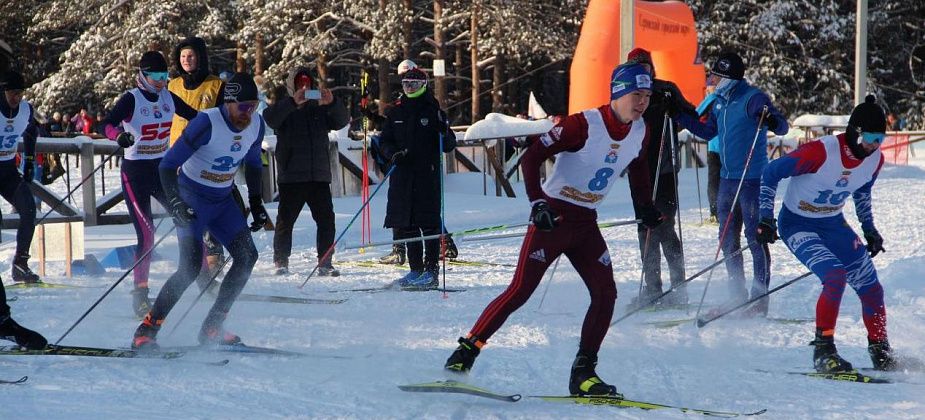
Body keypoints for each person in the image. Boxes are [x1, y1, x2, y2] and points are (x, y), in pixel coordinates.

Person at [444, 63, 663, 397]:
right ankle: (466, 351)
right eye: (636, 94)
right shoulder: (583, 124)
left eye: (647, 96)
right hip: (555, 218)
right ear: (618, 92)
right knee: (521, 290)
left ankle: (584, 374)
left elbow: (638, 168)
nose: (642, 102)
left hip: (585, 222)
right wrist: (537, 203)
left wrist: (645, 207)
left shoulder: (640, 130)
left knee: (606, 294)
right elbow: (533, 157)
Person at [757, 95, 904, 373]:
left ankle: (880, 351)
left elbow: (862, 193)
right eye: (870, 137)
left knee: (871, 287)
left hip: (832, 223)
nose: (874, 146)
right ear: (856, 132)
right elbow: (771, 173)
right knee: (835, 276)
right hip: (798, 224)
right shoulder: (821, 152)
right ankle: (824, 352)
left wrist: (869, 230)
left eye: (880, 139)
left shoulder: (874, 160)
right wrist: (765, 217)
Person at [132, 73, 269, 350]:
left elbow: (254, 164)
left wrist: (256, 203)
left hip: (223, 199)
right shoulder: (207, 123)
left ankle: (212, 326)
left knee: (246, 257)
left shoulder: (256, 125)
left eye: (253, 106)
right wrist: (176, 203)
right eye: (243, 107)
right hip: (192, 197)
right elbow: (167, 166)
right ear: (228, 103)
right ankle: (147, 329)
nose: (248, 113)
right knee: (191, 267)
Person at [675, 51, 789, 316]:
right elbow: (707, 131)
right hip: (727, 180)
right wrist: (679, 116)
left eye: (717, 75)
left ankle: (759, 299)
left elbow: (781, 127)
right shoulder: (719, 102)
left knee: (755, 238)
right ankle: (736, 295)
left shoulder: (753, 98)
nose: (712, 79)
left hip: (752, 181)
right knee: (727, 239)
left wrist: (771, 119)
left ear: (729, 78)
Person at [102, 51, 198, 317]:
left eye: (164, 76)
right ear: (142, 75)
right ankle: (140, 294)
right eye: (155, 76)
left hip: (161, 170)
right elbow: (106, 123)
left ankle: (192, 272)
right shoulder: (132, 99)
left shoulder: (168, 97)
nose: (160, 81)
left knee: (186, 217)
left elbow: (197, 116)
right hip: (135, 173)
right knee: (147, 234)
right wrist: (118, 135)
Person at [623, 48, 696, 307]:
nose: (642, 71)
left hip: (664, 170)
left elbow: (691, 114)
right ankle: (653, 289)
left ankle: (680, 288)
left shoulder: (665, 89)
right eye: (636, 66)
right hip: (639, 169)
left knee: (665, 228)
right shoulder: (626, 91)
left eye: (645, 66)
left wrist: (674, 115)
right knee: (645, 228)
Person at [263, 66, 348, 276]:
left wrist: (333, 103)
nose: (304, 88)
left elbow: (342, 121)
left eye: (307, 84)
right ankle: (281, 261)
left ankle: (325, 262)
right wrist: (293, 103)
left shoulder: (319, 108)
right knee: (285, 221)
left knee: (327, 220)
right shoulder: (284, 107)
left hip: (318, 175)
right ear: (292, 86)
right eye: (300, 84)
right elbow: (270, 118)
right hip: (291, 175)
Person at [167, 36, 236, 290]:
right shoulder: (171, 85)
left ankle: (213, 257)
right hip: (177, 155)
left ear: (201, 57)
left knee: (210, 207)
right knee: (189, 214)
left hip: (207, 154)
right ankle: (199, 270)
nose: (187, 60)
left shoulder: (217, 85)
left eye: (192, 56)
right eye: (183, 57)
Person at [378, 67, 456, 289]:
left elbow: (449, 145)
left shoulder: (433, 110)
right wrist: (392, 154)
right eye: (406, 84)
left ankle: (431, 271)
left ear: (423, 85)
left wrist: (443, 130)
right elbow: (384, 142)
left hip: (426, 176)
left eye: (414, 83)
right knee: (407, 223)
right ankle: (415, 269)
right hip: (402, 175)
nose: (409, 87)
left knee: (429, 223)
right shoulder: (395, 111)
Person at [0, 71, 42, 283]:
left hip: (7, 170)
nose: (16, 97)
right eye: (12, 93)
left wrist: (30, 160)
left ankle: (20, 265)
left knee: (29, 209)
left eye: (20, 93)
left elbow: (31, 132)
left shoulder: (25, 110)